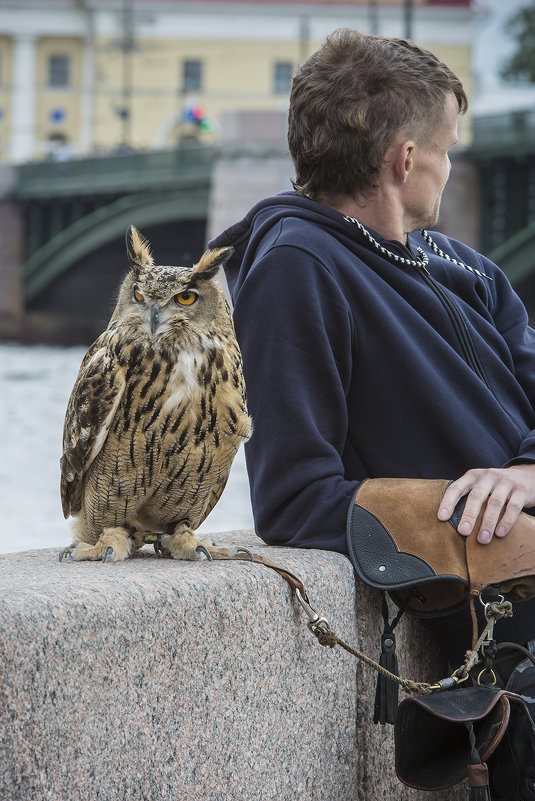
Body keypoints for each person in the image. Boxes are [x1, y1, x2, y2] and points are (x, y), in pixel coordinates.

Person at [209, 29, 535, 670]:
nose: (449, 166)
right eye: (447, 150)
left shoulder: (461, 265)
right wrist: (474, 525)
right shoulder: (295, 267)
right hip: (504, 642)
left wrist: (525, 471)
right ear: (406, 159)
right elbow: (293, 500)